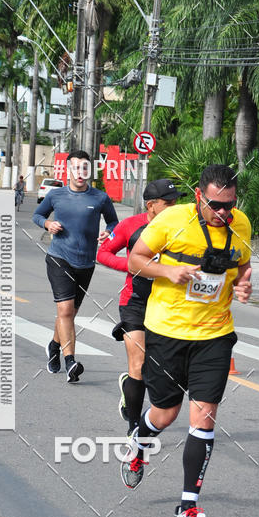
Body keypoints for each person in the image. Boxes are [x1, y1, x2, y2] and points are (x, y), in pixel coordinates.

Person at [125, 164, 252, 517]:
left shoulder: (239, 224)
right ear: (199, 196)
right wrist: (167, 272)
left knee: (204, 419)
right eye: (216, 205)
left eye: (230, 205)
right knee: (165, 415)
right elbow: (136, 259)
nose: (224, 213)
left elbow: (244, 265)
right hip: (167, 333)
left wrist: (245, 285)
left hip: (215, 335)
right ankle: (139, 442)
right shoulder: (170, 220)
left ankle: (188, 506)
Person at [96, 178, 182, 435]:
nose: (173, 206)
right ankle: (134, 429)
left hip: (168, 304)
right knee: (138, 363)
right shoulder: (131, 225)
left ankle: (131, 393)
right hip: (134, 302)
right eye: (167, 203)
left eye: (175, 202)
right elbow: (103, 253)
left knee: (154, 368)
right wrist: (134, 267)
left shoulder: (182, 226)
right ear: (151, 205)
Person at [33, 150, 118, 383]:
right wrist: (48, 224)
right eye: (76, 168)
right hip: (59, 257)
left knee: (69, 313)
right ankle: (71, 361)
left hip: (86, 262)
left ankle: (53, 345)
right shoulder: (56, 195)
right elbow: (37, 215)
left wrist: (108, 232)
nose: (80, 173)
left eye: (84, 168)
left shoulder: (100, 198)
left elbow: (113, 221)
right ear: (68, 170)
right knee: (66, 311)